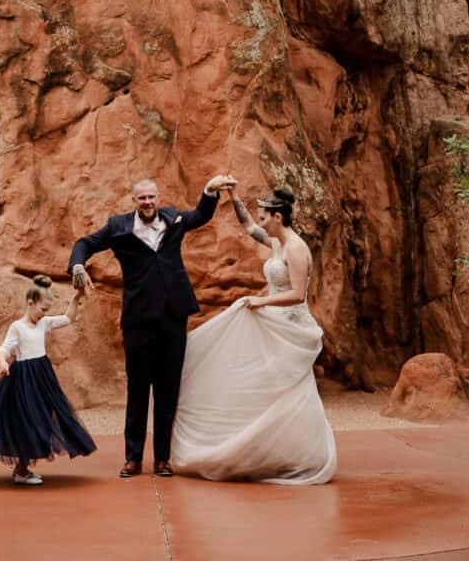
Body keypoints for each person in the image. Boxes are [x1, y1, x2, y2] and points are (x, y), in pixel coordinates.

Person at [67, 172, 238, 476]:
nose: (147, 202)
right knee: (138, 389)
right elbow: (84, 243)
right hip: (138, 320)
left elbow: (200, 215)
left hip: (173, 316)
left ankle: (162, 458)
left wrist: (210, 190)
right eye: (141, 198)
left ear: (158, 198)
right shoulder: (118, 228)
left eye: (151, 197)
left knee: (168, 389)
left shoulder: (173, 220)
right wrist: (78, 264)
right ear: (134, 201)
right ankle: (133, 458)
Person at [167, 186, 338, 484]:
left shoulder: (296, 248)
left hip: (291, 325)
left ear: (278, 216)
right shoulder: (276, 241)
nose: (260, 221)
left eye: (264, 216)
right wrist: (232, 197)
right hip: (274, 322)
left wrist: (261, 301)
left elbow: (298, 295)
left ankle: (304, 454)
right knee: (269, 387)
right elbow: (248, 226)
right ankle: (269, 450)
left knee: (289, 388)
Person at [0, 275, 97, 485]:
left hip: (42, 377)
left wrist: (76, 297)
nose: (44, 314)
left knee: (43, 418)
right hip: (23, 379)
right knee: (26, 422)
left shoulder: (44, 323)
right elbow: (3, 349)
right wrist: (2, 363)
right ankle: (21, 471)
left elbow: (68, 317)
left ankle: (22, 469)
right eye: (42, 309)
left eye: (47, 310)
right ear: (30, 303)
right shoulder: (17, 327)